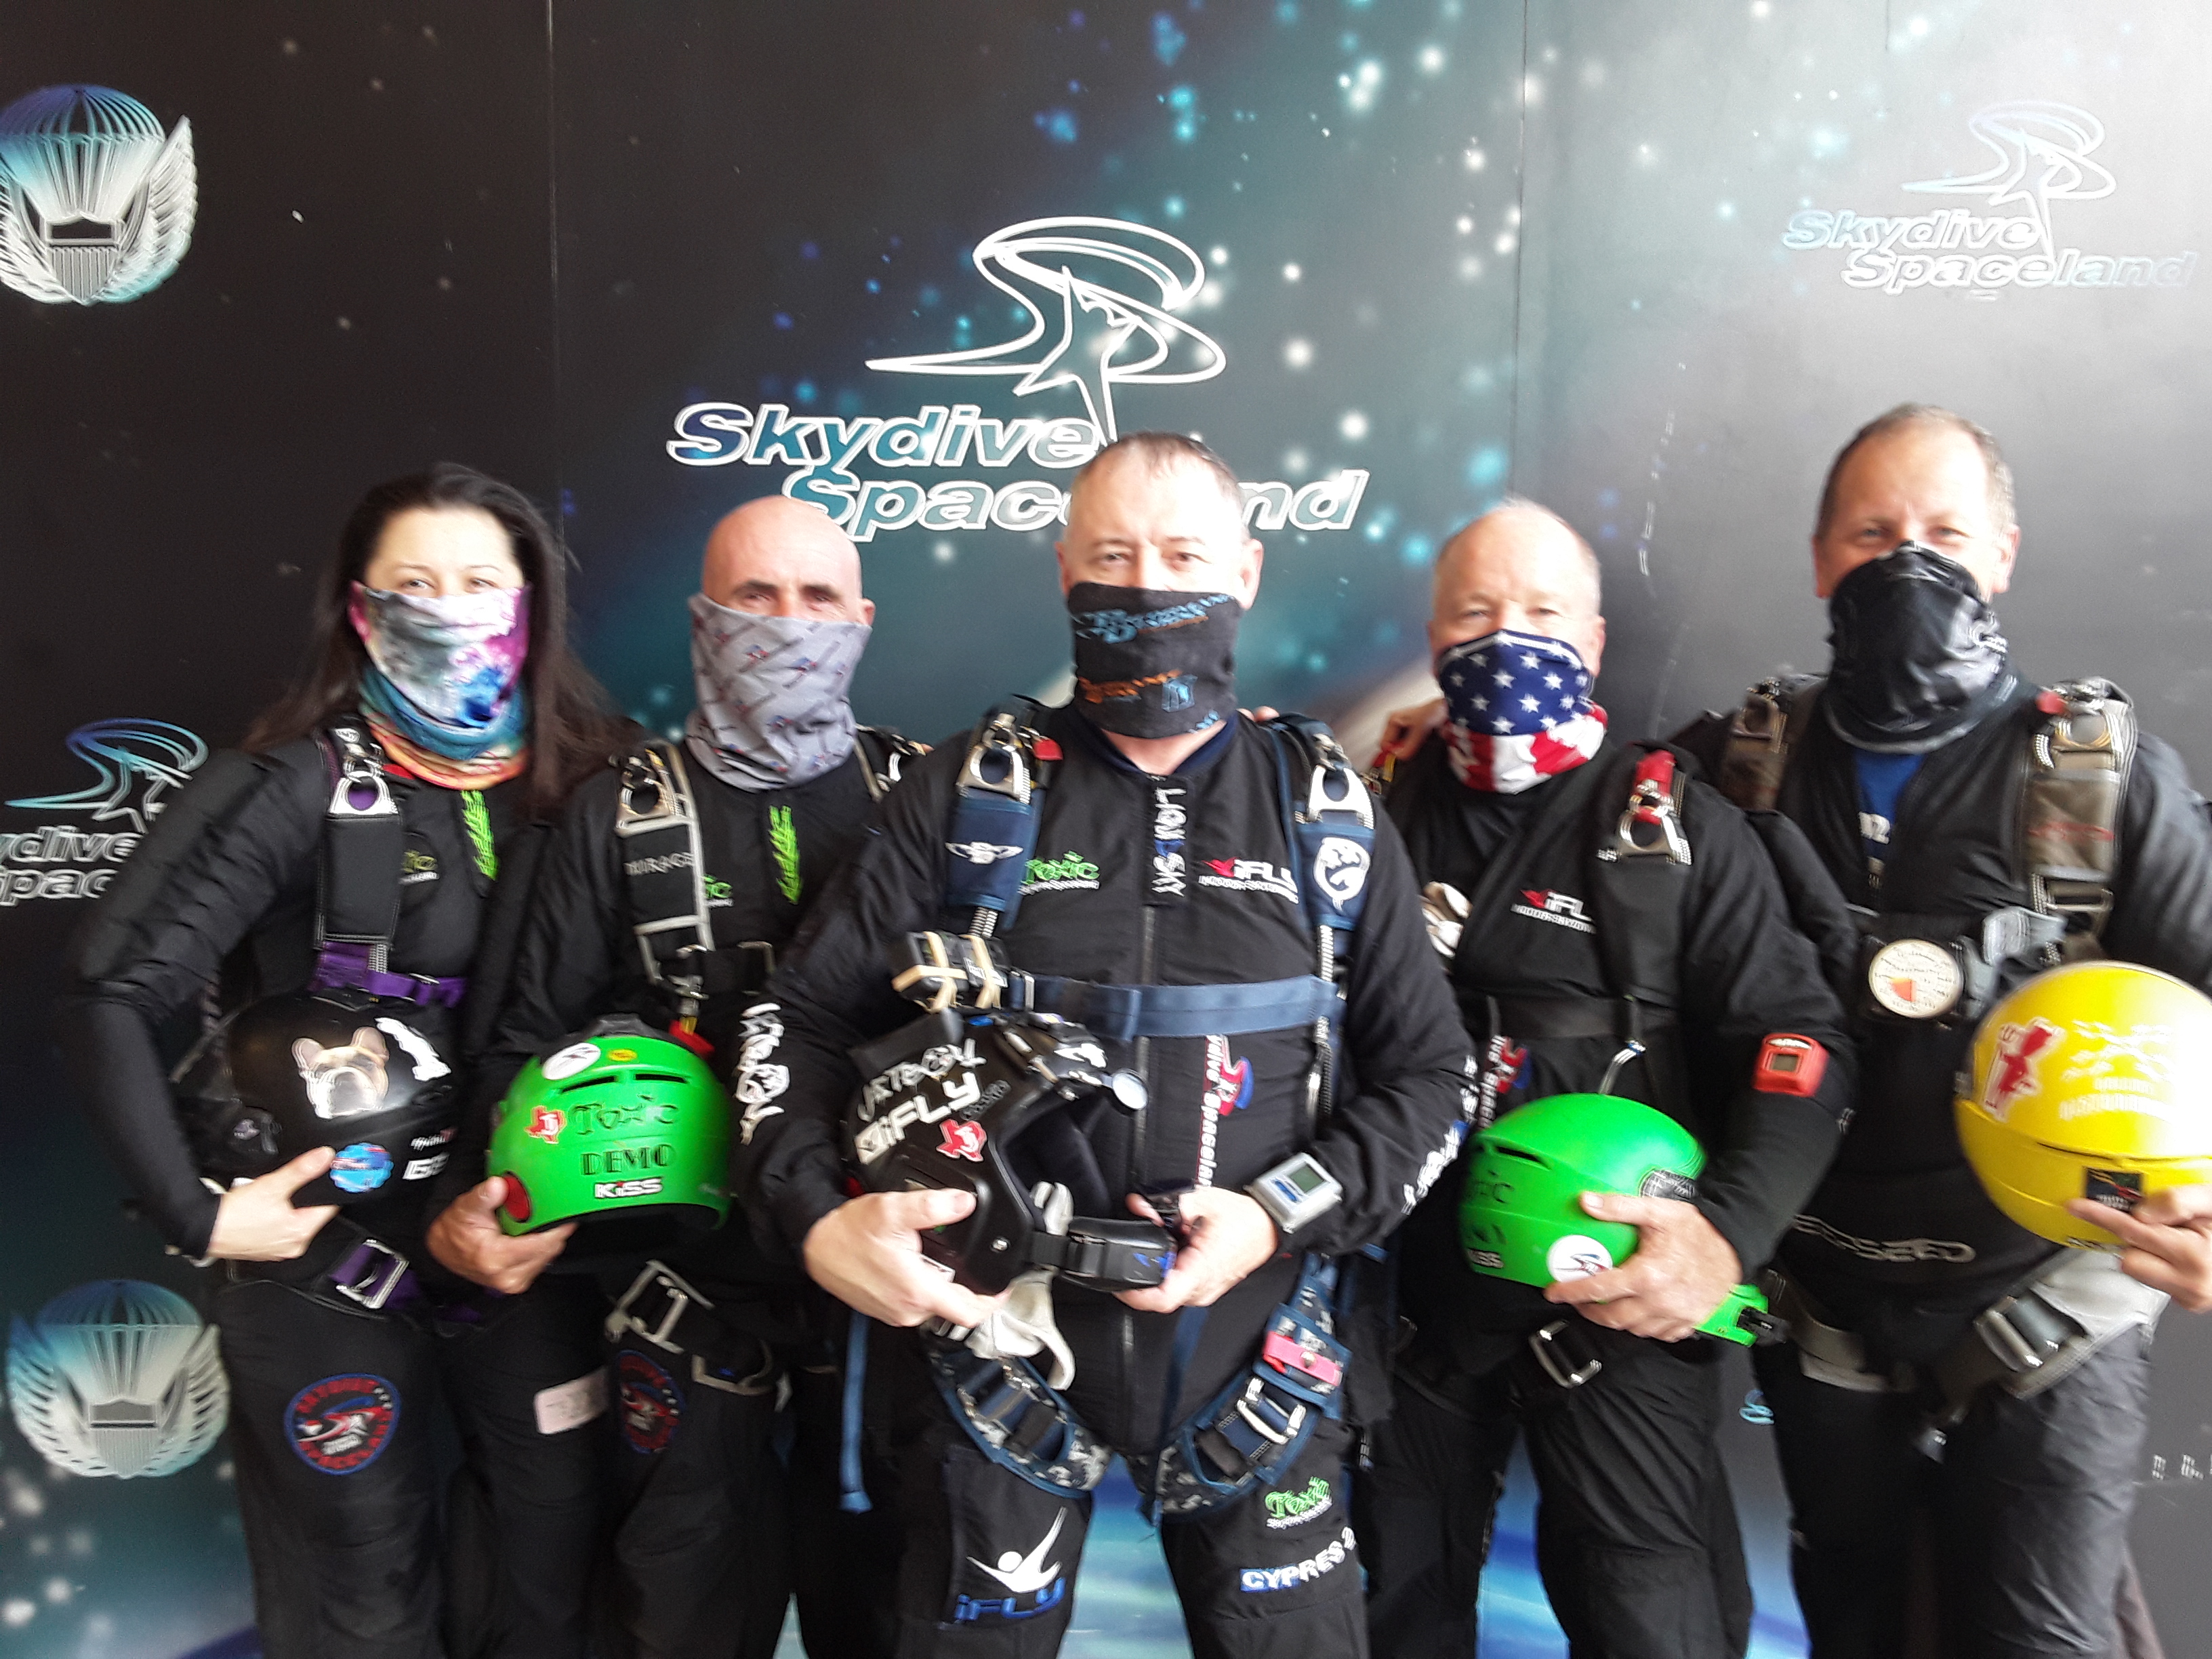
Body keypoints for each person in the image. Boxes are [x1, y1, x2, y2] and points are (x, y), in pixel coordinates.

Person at [737, 430, 1471, 1658]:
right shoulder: (970, 794)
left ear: (1246, 573)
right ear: (1065, 571)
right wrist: (817, 1221)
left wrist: (1278, 1215)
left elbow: (1434, 1075)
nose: (1147, 586)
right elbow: (794, 1024)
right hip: (990, 1350)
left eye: (1183, 556)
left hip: (1263, 1355)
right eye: (1114, 557)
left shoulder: (1326, 812)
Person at [1669, 405, 2212, 1659]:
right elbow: (1574, 827)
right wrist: (1417, 750)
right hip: (1819, 1297)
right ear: (1822, 560)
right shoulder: (1737, 766)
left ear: (2002, 554)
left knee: (2043, 1639)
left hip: (2050, 1290)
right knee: (1853, 1625)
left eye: (1946, 534)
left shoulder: (2100, 777)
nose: (1909, 561)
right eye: (1873, 535)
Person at [56, 464, 623, 1659]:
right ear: (361, 611)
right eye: (416, 584)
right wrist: (198, 1216)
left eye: (480, 583)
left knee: (556, 1564)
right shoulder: (289, 786)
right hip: (327, 1260)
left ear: (531, 604)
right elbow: (109, 990)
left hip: (523, 1245)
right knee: (360, 1594)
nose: (451, 610)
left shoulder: (600, 786)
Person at [1353, 501, 1853, 1659]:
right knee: (1392, 1610)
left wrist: (1724, 1240)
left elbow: (1801, 1048)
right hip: (1412, 1304)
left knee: (1652, 1619)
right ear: (1435, 637)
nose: (1508, 639)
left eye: (1542, 614)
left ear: (1592, 641)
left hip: (1621, 1297)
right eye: (1477, 613)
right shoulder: (1367, 807)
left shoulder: (1671, 827)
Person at [430, 494, 914, 1658]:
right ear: (704, 619)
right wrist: (488, 1203)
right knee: (682, 1607)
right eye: (755, 597)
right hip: (682, 1282)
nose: (787, 624)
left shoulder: (927, 798)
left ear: (862, 622)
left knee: (891, 1603)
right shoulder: (616, 814)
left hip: (881, 1284)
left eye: (817, 599)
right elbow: (523, 1045)